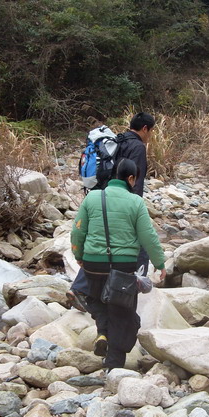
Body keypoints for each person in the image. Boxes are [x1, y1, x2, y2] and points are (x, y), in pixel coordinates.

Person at [70, 158, 166, 369]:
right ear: (131, 179)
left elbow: (78, 230)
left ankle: (103, 332)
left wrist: (78, 254)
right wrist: (160, 263)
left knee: (95, 298)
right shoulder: (136, 202)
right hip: (123, 267)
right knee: (122, 312)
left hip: (93, 263)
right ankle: (113, 367)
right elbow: (148, 237)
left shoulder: (93, 197)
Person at [68, 112, 156, 311]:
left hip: (102, 198)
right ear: (145, 129)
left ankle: (82, 289)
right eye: (150, 131)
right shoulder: (138, 147)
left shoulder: (118, 139)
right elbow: (136, 180)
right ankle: (132, 285)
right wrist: (135, 207)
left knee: (101, 242)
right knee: (135, 242)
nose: (150, 135)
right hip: (121, 201)